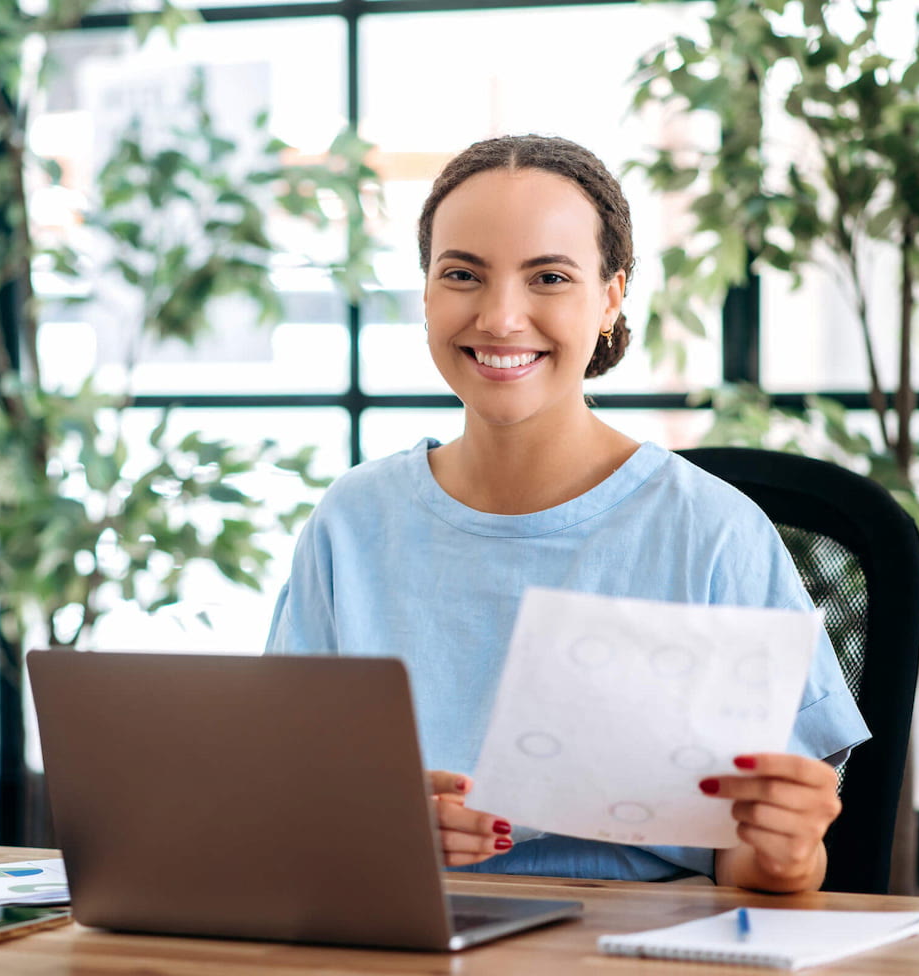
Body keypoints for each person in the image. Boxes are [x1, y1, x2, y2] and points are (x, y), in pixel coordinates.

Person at [266, 133, 870, 893]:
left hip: (636, 951)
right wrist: (376, 827)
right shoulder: (351, 525)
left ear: (611, 296)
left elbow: (761, 863)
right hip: (403, 936)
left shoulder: (715, 535)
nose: (501, 317)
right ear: (426, 291)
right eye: (463, 274)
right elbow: (288, 806)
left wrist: (788, 851)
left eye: (548, 276)